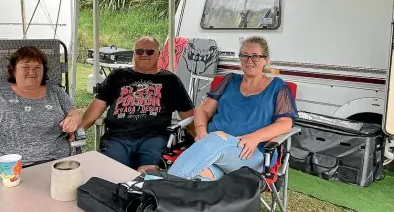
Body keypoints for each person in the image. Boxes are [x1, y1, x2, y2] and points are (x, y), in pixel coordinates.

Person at [167, 36, 298, 181]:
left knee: (216, 139)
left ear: (265, 59)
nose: (249, 61)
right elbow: (202, 110)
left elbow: (286, 123)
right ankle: (160, 198)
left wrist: (256, 137)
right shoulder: (230, 80)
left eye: (255, 56)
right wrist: (201, 131)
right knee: (199, 179)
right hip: (211, 149)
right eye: (244, 55)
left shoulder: (277, 86)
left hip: (250, 152)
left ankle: (159, 188)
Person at [0, 46, 82, 177]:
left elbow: (74, 114)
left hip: (51, 159)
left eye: (38, 67)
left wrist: (73, 121)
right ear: (13, 71)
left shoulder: (56, 92)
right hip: (1, 162)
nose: (32, 71)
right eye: (25, 67)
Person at [81, 36, 195, 172]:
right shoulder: (118, 75)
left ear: (158, 53)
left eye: (150, 52)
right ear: (134, 54)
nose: (144, 55)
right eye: (140, 51)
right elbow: (96, 107)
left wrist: (199, 137)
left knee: (147, 173)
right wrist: (79, 130)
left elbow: (189, 117)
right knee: (113, 171)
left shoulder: (170, 80)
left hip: (154, 137)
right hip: (117, 137)